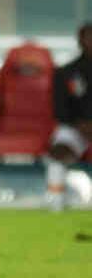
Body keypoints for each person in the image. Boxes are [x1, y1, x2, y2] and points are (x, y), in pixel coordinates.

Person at [45, 24, 92, 212]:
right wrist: (80, 124)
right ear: (80, 41)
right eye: (88, 37)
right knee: (58, 151)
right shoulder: (66, 72)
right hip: (75, 128)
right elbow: (59, 109)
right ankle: (55, 201)